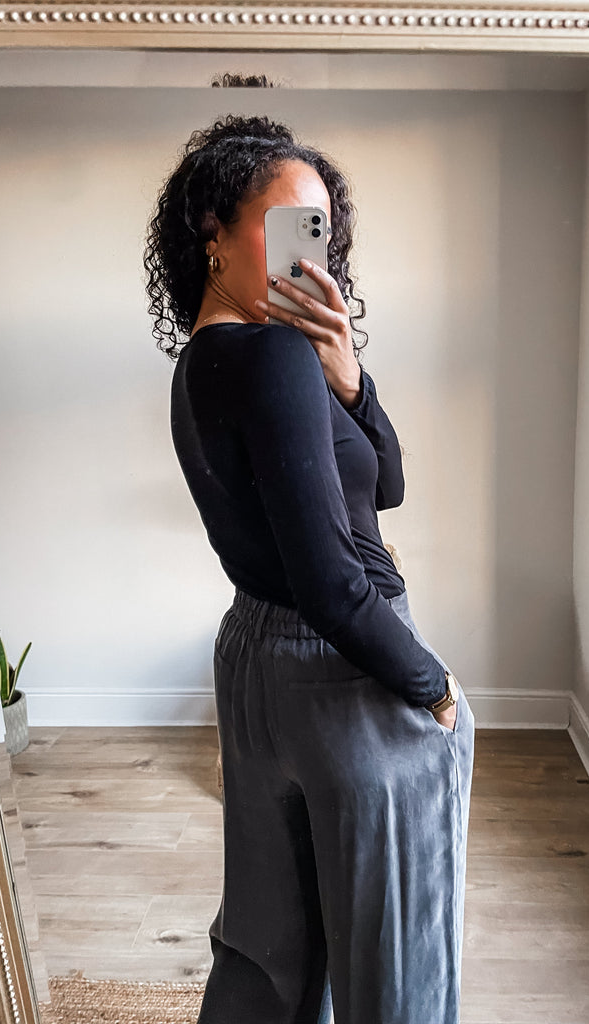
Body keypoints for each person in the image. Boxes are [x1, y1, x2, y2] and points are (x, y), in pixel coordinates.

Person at [144, 113, 475, 1024]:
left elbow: (387, 483)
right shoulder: (273, 354)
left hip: (251, 656)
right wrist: (435, 688)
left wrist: (348, 372)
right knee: (397, 968)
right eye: (286, 222)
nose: (307, 251)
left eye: (318, 228)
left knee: (265, 950)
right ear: (212, 229)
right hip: (349, 666)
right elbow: (333, 578)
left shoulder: (200, 365)